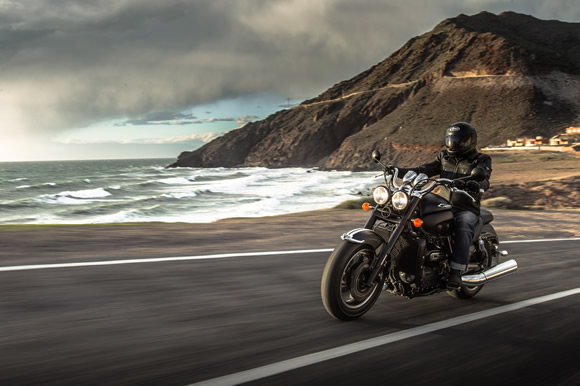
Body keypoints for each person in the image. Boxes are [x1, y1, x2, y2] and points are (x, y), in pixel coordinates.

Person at [398, 122, 492, 289]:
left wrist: (476, 184)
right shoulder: (444, 157)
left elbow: (484, 179)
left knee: (463, 224)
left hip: (465, 207)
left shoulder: (481, 159)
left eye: (458, 141)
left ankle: (456, 271)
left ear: (469, 141)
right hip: (441, 203)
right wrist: (399, 171)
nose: (453, 144)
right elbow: (425, 169)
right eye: (451, 140)